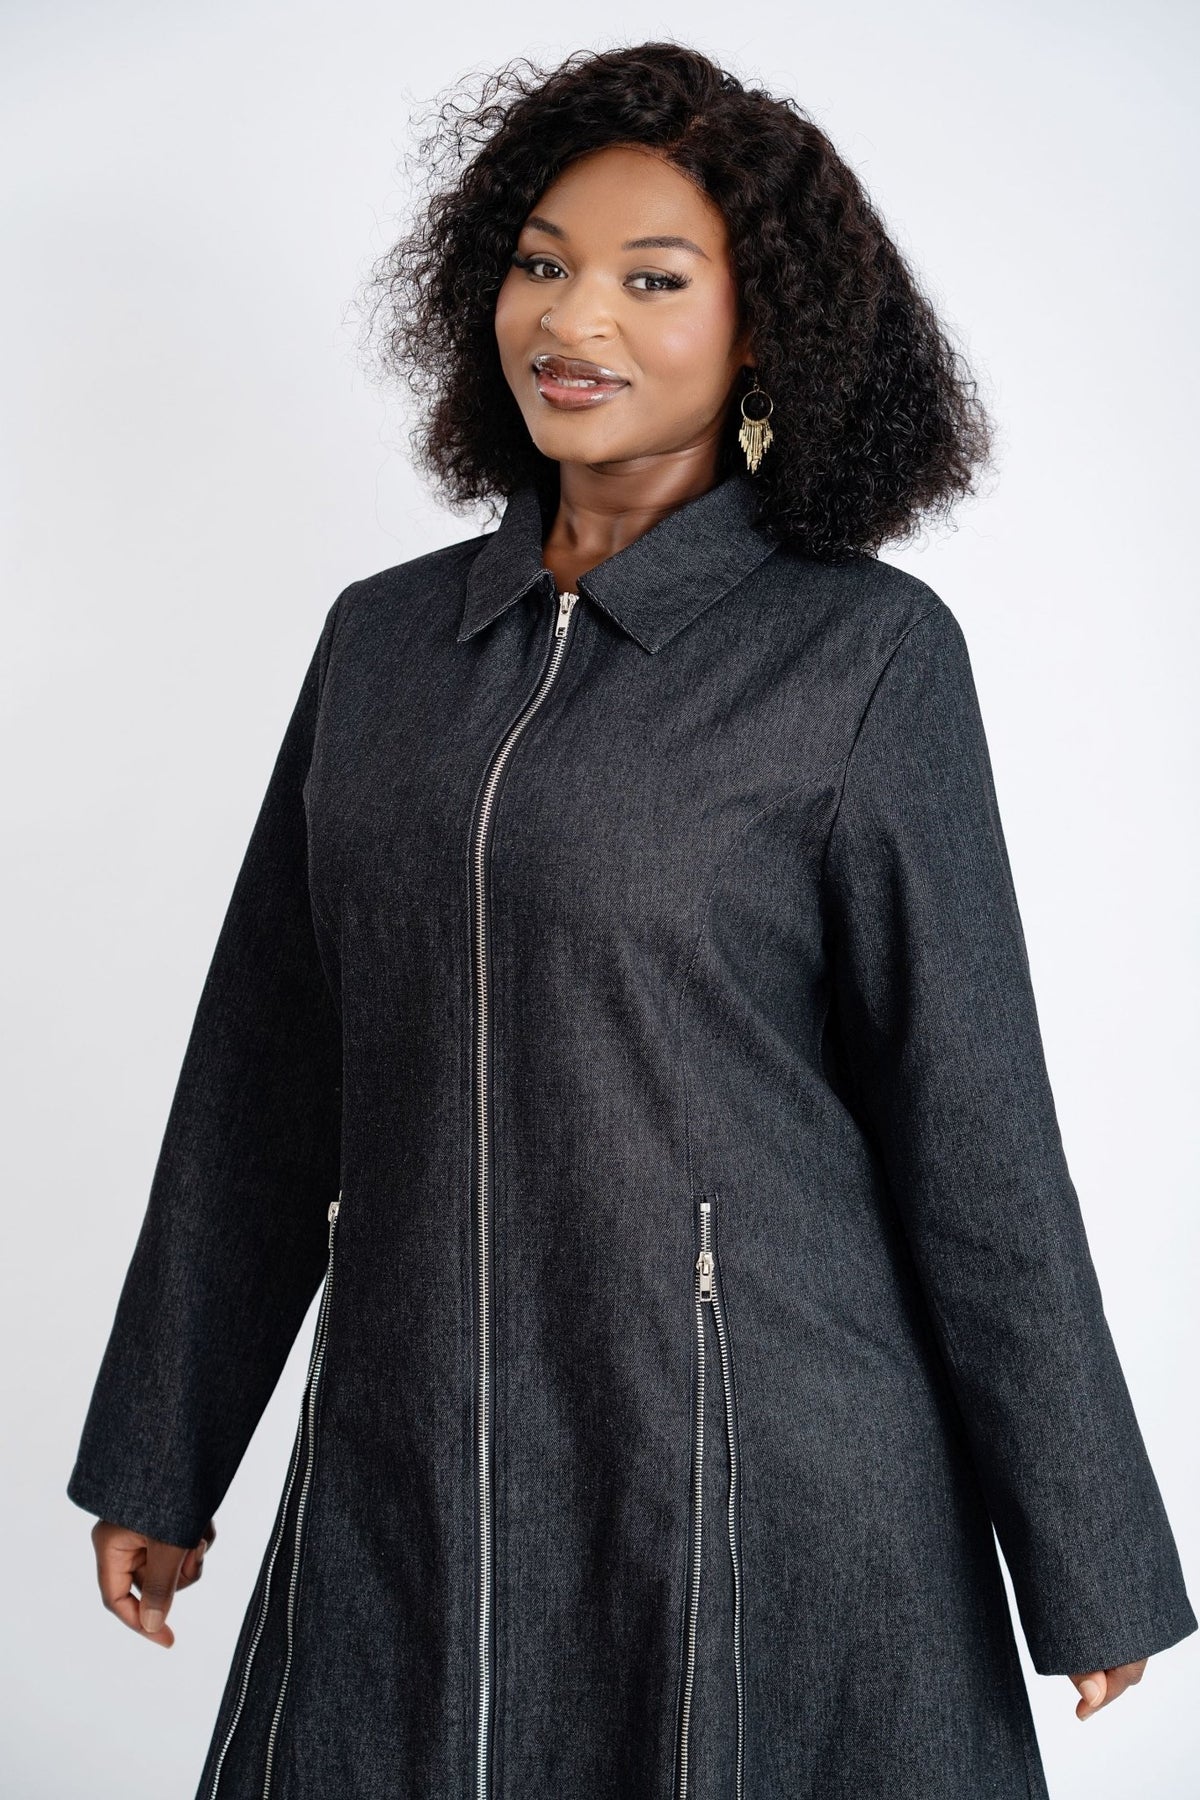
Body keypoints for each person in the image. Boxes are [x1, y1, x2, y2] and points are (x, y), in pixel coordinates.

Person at [67, 40, 1195, 1800]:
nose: (573, 317)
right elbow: (263, 1077)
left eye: (653, 280)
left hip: (757, 1476)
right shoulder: (382, 646)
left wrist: (1086, 1550)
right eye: (542, 264)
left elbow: (973, 1124)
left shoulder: (863, 658)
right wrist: (165, 1447)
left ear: (766, 334)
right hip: (412, 1462)